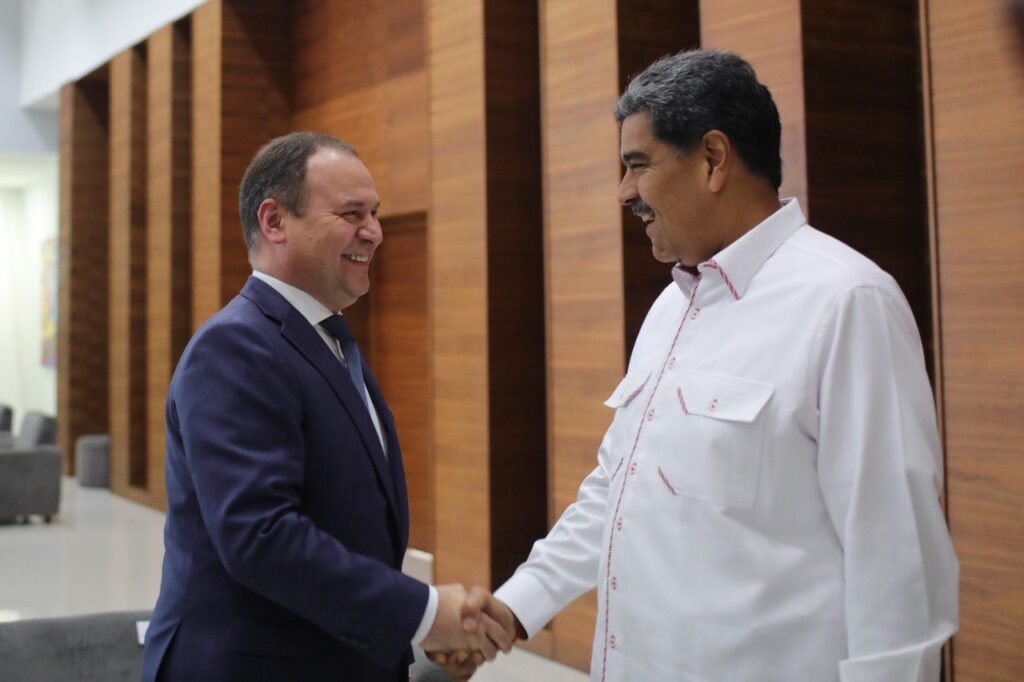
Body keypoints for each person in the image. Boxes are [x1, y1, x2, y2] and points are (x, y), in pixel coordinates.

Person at [455, 49, 959, 681]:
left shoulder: (845, 302)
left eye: (637, 165)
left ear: (713, 159)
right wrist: (515, 607)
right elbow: (618, 490)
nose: (624, 193)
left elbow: (897, 558)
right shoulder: (672, 306)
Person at [142, 131, 513, 681]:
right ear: (274, 222)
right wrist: (424, 614)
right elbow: (260, 536)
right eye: (351, 213)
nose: (375, 231)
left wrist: (406, 632)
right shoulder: (235, 348)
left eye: (376, 213)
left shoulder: (328, 340)